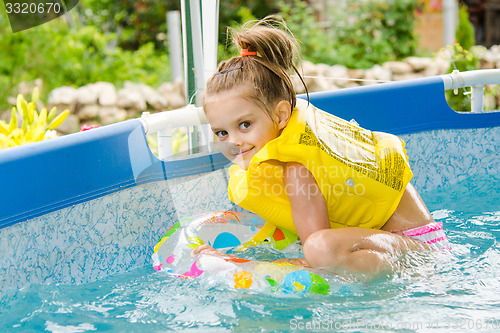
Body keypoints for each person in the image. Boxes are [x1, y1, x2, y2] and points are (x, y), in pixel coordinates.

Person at [193, 16, 449, 274]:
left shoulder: (296, 168)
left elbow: (315, 261)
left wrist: (235, 264)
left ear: (281, 116)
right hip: (405, 244)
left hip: (420, 253)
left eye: (245, 125)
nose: (234, 141)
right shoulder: (287, 147)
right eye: (222, 132)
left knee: (318, 248)